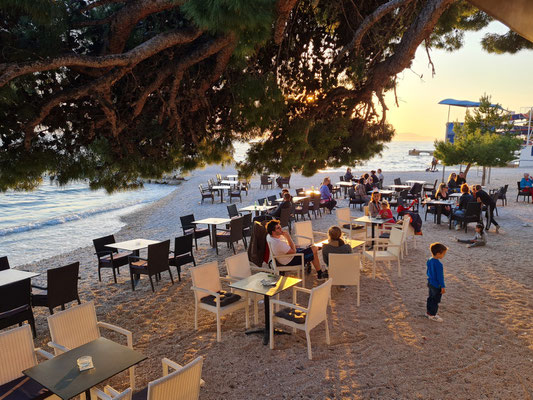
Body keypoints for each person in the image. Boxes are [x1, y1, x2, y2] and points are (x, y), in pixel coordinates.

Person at [426, 242, 447, 322]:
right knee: (435, 300)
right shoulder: (438, 264)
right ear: (438, 254)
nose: (443, 256)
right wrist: (443, 286)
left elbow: (428, 271)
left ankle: (428, 312)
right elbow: (440, 277)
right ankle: (433, 315)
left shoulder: (429, 260)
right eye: (443, 254)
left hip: (430, 282)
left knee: (430, 298)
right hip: (436, 285)